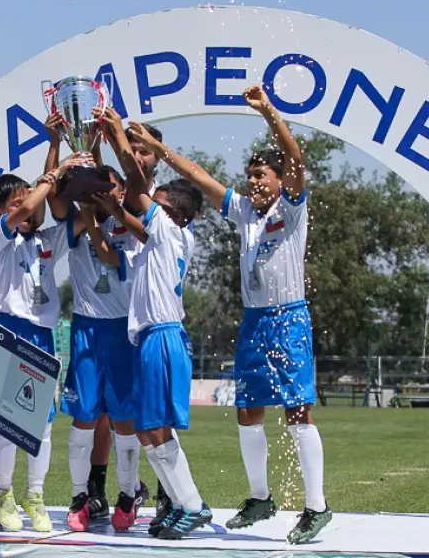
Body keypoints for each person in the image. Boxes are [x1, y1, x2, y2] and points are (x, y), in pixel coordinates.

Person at [130, 84, 330, 544]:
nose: (256, 181)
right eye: (252, 174)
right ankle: (261, 497)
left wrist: (269, 113)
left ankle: (317, 506)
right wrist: (159, 149)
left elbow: (295, 155)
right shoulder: (242, 210)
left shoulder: (292, 209)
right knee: (247, 412)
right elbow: (197, 175)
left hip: (288, 318)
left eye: (264, 174)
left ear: (282, 181)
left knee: (297, 413)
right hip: (254, 322)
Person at [99, 107, 212, 540]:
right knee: (148, 428)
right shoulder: (165, 236)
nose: (151, 206)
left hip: (163, 336)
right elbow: (132, 216)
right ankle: (182, 503)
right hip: (153, 337)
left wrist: (116, 139)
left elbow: (134, 183)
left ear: (175, 213)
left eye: (160, 204)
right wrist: (110, 206)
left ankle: (191, 504)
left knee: (153, 427)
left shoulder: (168, 229)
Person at [43, 130, 151, 532]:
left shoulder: (130, 227)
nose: (101, 195)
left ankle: (127, 495)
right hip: (87, 331)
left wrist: (95, 218)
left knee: (124, 421)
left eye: (111, 189)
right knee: (84, 418)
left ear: (122, 192)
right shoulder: (74, 221)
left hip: (123, 332)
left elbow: (110, 256)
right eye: (95, 189)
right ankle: (79, 496)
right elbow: (54, 198)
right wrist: (67, 150)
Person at [0, 160, 83, 532]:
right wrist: (48, 180)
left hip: (42, 336)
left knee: (42, 423)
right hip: (8, 332)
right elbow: (26, 207)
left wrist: (73, 167)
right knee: (8, 420)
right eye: (15, 202)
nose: (26, 207)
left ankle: (35, 494)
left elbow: (80, 220)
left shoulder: (47, 240)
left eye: (30, 198)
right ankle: (3, 491)